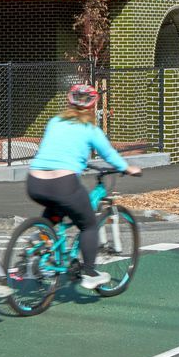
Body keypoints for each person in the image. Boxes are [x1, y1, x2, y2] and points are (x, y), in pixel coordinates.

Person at [26, 83, 137, 290]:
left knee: (55, 206)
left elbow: (56, 148)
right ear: (93, 105)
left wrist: (78, 159)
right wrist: (127, 168)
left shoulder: (55, 122)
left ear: (69, 101)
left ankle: (41, 237)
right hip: (63, 183)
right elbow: (109, 154)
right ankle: (90, 272)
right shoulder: (90, 129)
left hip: (35, 182)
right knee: (88, 225)